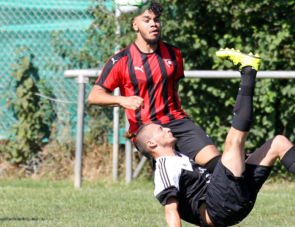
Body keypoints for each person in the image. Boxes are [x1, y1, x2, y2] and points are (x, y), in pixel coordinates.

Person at [132, 49, 295, 227]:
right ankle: (248, 71)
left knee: (278, 143)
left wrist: (243, 161)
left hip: (234, 201)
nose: (166, 128)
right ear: (152, 143)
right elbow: (170, 210)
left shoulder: (181, 156)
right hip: (219, 207)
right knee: (233, 142)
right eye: (160, 129)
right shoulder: (164, 167)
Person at [87, 1, 221, 172]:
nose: (153, 24)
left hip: (178, 121)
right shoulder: (121, 60)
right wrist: (122, 100)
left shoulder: (174, 54)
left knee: (217, 165)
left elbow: (174, 88)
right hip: (147, 129)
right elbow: (94, 96)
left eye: (156, 20)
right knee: (178, 175)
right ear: (135, 25)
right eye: (147, 20)